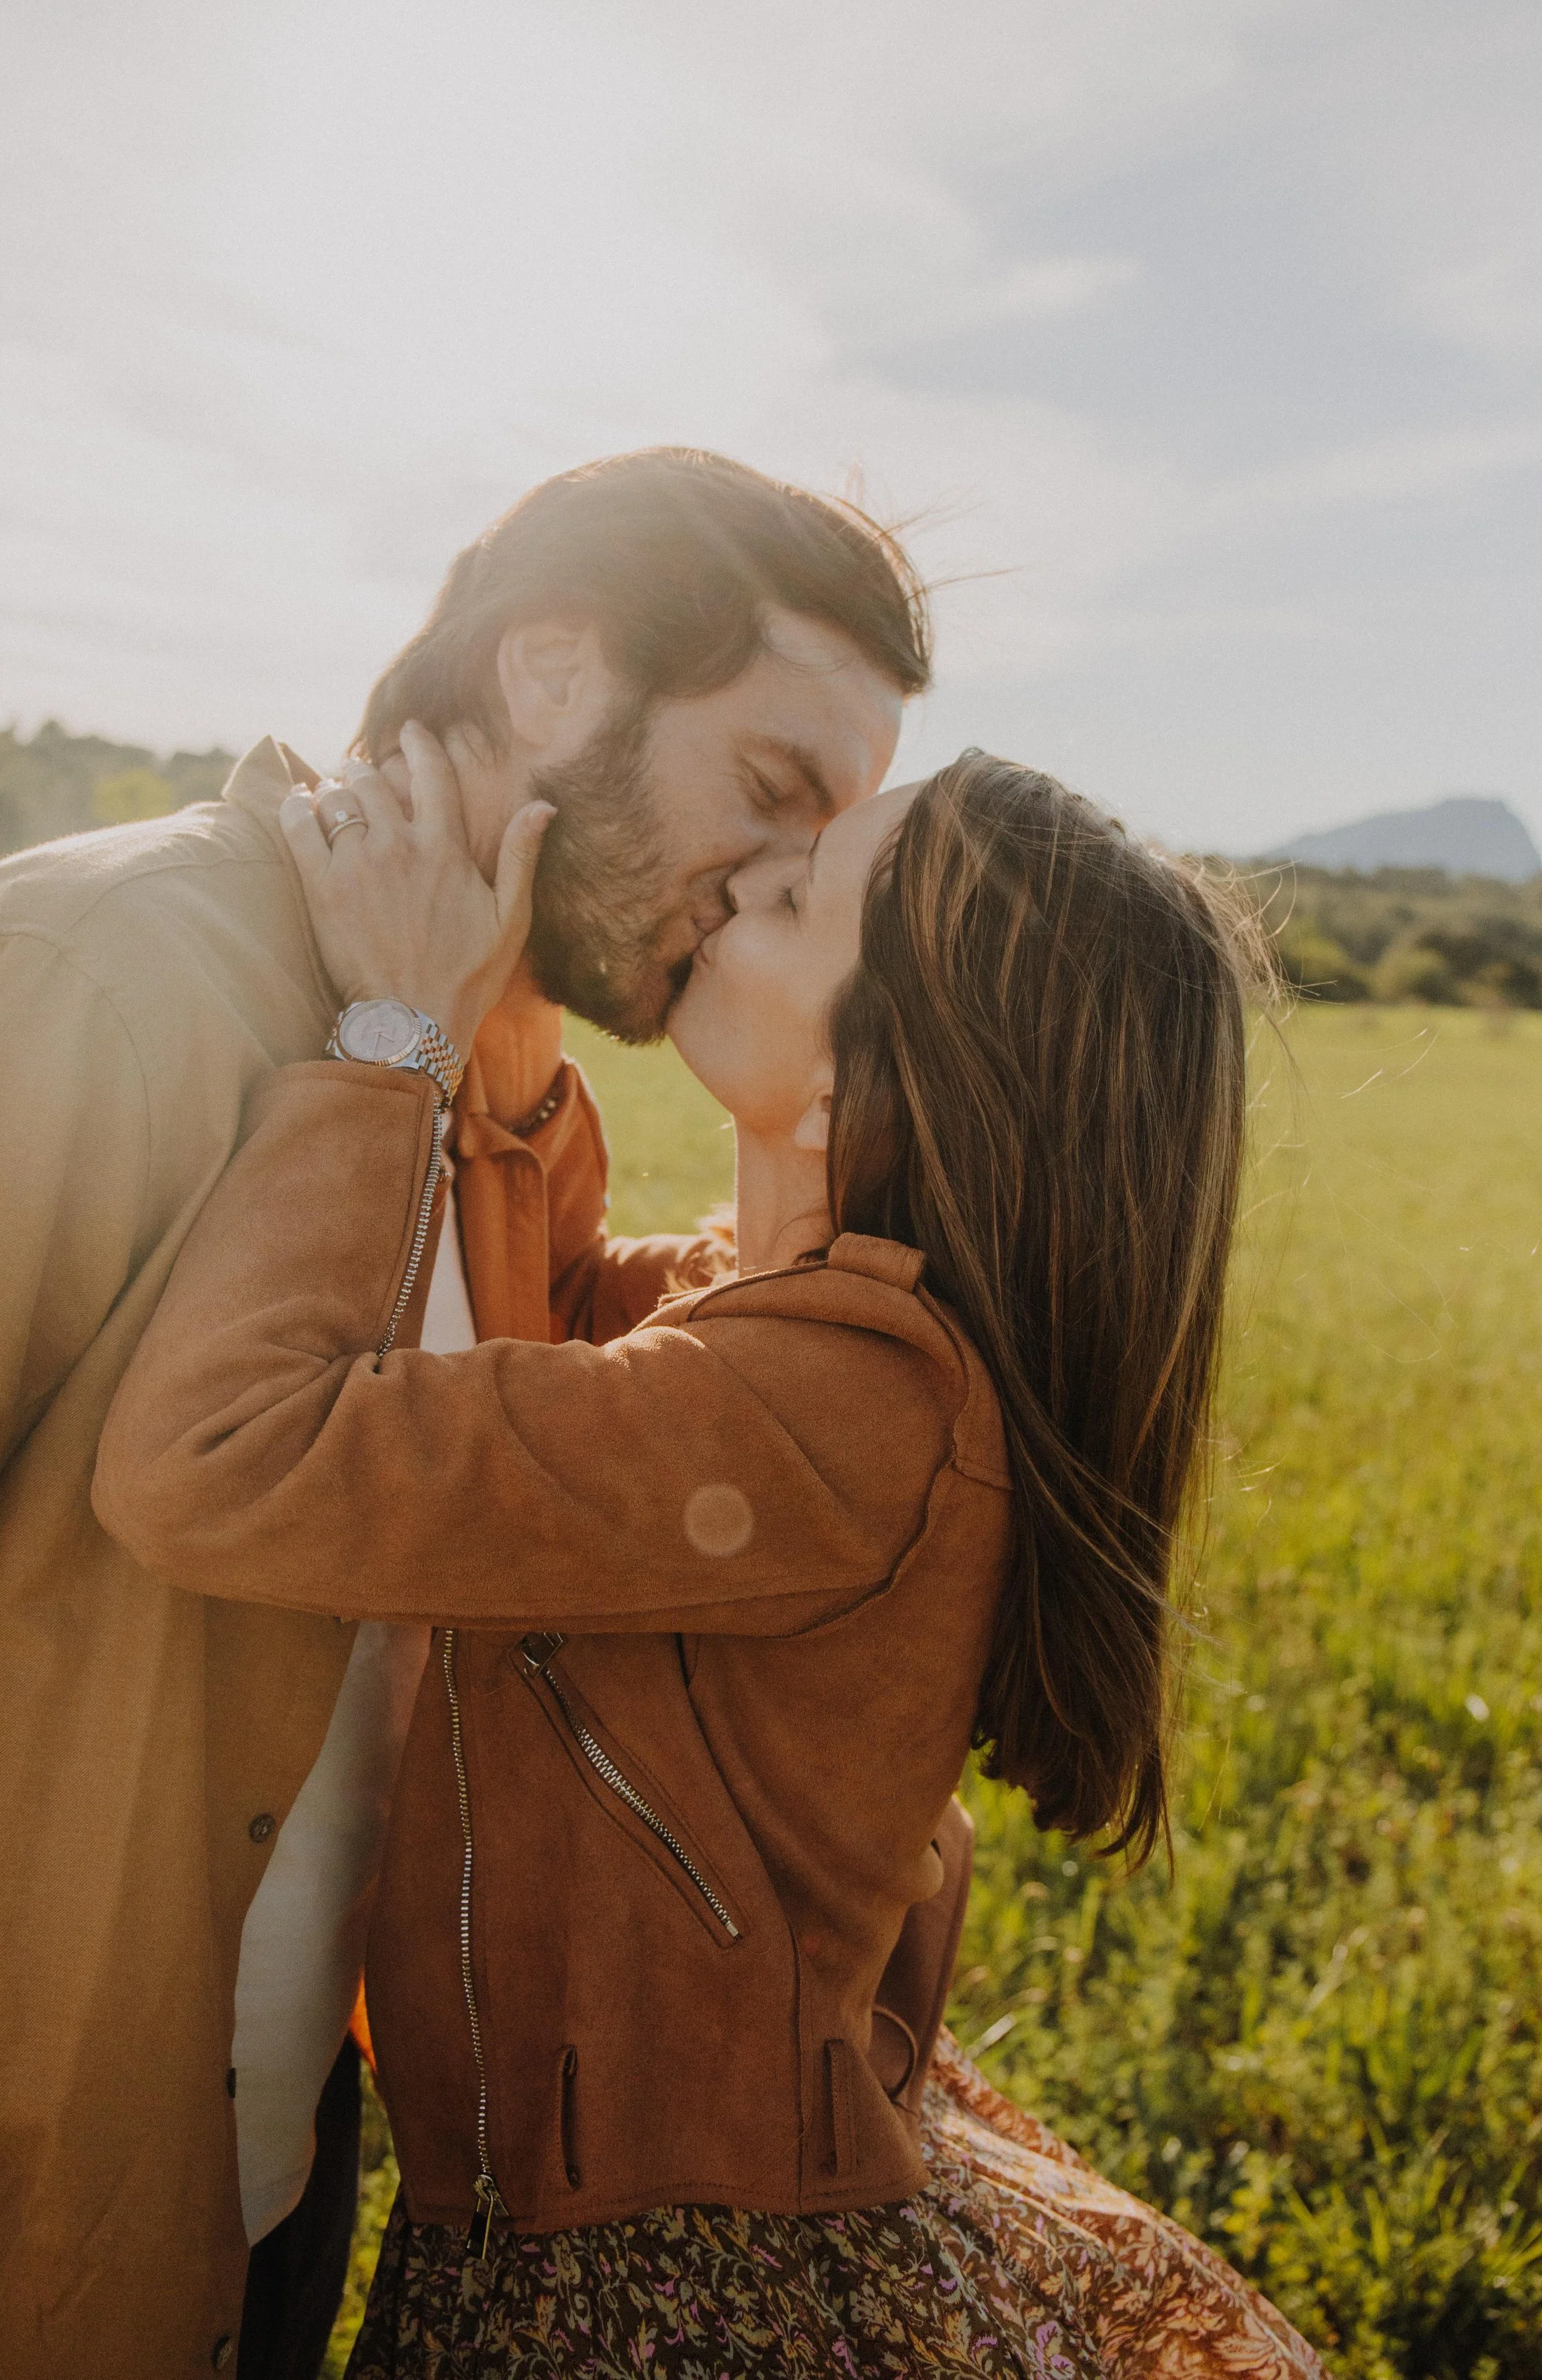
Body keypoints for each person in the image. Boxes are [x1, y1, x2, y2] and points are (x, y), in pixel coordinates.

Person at [0, 447, 930, 2380]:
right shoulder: (95, 982)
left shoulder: (513, 1071)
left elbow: (562, 1425)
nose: (769, 883)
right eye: (767, 790)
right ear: (553, 676)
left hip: (251, 2184)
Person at [93, 735, 1328, 2376]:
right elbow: (550, 1282)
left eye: (794, 894)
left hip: (648, 2280)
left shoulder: (828, 1407)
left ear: (862, 1087)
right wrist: (513, 995)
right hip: (610, 2205)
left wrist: (392, 1041)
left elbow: (218, 1458)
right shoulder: (790, 1331)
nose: (733, 885)